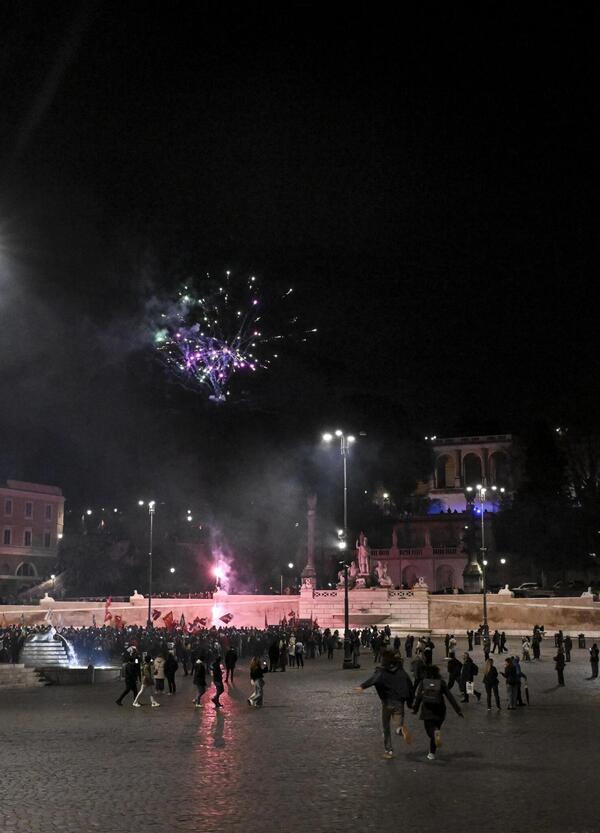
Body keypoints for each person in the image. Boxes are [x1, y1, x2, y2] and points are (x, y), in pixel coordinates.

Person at [356, 650, 414, 759]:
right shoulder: (401, 671)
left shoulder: (382, 671)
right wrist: (410, 703)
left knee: (386, 726)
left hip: (387, 703)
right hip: (399, 703)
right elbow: (409, 686)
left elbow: (374, 679)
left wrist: (362, 686)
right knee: (398, 725)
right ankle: (400, 730)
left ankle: (389, 751)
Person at [412, 664, 463, 760]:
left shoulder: (423, 682)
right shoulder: (441, 683)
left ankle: (434, 738)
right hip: (440, 711)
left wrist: (415, 709)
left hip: (427, 710)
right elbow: (450, 697)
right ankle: (432, 753)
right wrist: (458, 710)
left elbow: (419, 697)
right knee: (436, 729)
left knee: (430, 731)